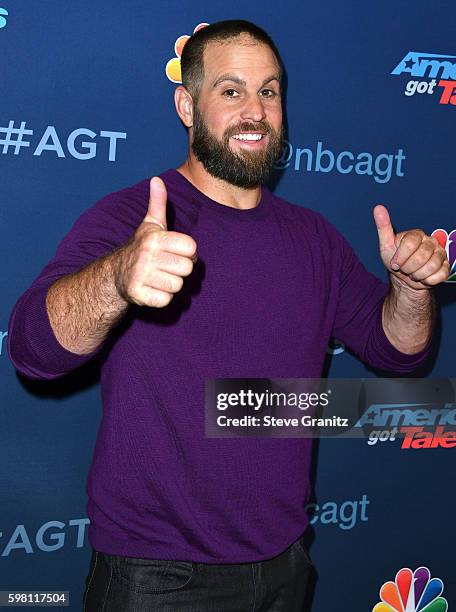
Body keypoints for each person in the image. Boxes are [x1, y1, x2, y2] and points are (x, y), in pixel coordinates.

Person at [7, 19, 449, 612]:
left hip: (286, 565)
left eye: (269, 91)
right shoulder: (132, 218)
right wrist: (118, 277)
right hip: (156, 578)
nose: (256, 111)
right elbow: (33, 352)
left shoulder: (313, 238)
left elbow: (399, 351)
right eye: (231, 90)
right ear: (187, 105)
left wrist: (411, 290)